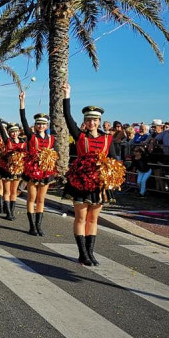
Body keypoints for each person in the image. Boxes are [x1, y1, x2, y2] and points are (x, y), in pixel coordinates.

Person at [62, 83, 118, 266]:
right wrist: (67, 95)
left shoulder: (108, 139)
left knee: (93, 219)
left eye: (95, 119)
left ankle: (91, 252)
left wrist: (112, 175)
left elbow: (115, 160)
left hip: (99, 184)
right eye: (88, 119)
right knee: (80, 217)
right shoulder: (79, 136)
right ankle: (82, 253)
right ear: (85, 121)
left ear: (99, 121)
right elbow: (67, 117)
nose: (92, 122)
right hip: (80, 182)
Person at [19, 91, 56, 236]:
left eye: (43, 124)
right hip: (32, 170)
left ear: (47, 126)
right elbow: (23, 120)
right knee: (31, 198)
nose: (40, 126)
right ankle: (32, 226)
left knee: (41, 199)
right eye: (38, 124)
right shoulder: (31, 136)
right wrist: (22, 103)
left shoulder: (51, 138)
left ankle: (39, 225)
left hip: (45, 171)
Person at [0, 119, 26, 221]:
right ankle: (8, 213)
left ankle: (12, 211)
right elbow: (2, 131)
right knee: (7, 191)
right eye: (12, 132)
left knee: (14, 191)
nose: (14, 133)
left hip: (18, 170)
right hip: (7, 169)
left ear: (19, 131)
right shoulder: (7, 141)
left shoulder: (23, 141)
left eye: (16, 131)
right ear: (9, 133)